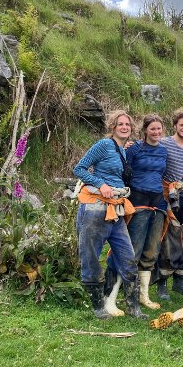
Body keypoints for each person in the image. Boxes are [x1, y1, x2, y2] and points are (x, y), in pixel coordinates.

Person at [73, 110, 147, 320]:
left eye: (128, 125)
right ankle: (98, 307)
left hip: (115, 208)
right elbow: (79, 169)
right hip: (95, 207)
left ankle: (133, 308)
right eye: (120, 124)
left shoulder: (121, 150)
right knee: (91, 257)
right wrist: (100, 184)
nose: (124, 127)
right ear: (112, 127)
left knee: (127, 256)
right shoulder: (103, 145)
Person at [122, 113, 168, 311]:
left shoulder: (164, 150)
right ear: (145, 130)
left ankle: (144, 296)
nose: (156, 132)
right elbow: (124, 170)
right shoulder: (134, 149)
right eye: (152, 129)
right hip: (138, 200)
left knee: (151, 250)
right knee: (134, 249)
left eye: (159, 129)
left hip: (158, 201)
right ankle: (127, 293)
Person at [157, 108, 183, 300]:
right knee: (168, 238)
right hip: (168, 196)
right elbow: (147, 146)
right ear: (175, 125)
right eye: (181, 124)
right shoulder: (164, 142)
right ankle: (162, 283)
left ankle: (180, 282)